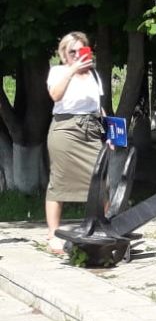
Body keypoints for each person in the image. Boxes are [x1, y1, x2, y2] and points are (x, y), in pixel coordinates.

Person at [45, 32, 105, 254]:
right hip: (66, 130)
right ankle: (53, 235)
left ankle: (102, 229)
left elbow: (98, 106)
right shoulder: (58, 72)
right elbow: (55, 95)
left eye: (82, 50)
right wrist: (71, 70)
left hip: (92, 129)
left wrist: (109, 133)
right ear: (64, 54)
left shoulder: (94, 75)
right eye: (72, 52)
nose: (78, 55)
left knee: (102, 182)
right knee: (59, 182)